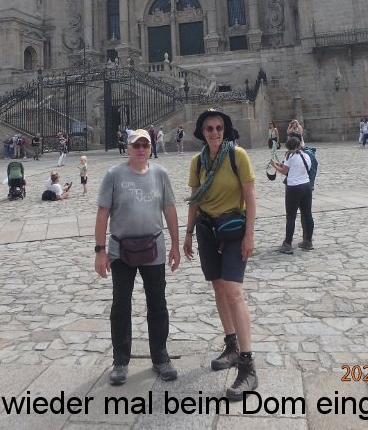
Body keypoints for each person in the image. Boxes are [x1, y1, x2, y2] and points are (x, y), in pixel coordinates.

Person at [95, 129, 180, 386]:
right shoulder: (113, 175)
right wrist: (100, 251)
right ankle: (120, 361)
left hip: (153, 247)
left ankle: (160, 357)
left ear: (150, 147)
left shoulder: (160, 174)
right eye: (136, 145)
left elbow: (169, 209)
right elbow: (102, 213)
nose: (141, 149)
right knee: (121, 304)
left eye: (145, 145)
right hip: (121, 249)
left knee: (158, 303)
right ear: (129, 147)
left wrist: (175, 245)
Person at [183, 109, 258, 401]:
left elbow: (250, 197)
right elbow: (194, 199)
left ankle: (248, 365)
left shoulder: (238, 156)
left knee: (234, 292)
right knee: (218, 288)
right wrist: (188, 233)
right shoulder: (197, 161)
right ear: (202, 133)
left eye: (218, 127)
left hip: (233, 229)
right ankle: (231, 345)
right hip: (206, 229)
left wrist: (250, 235)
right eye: (209, 128)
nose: (214, 132)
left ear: (225, 130)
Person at [269, 134, 314, 253]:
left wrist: (274, 166)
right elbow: (297, 168)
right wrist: (279, 164)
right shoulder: (306, 155)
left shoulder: (290, 156)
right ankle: (308, 241)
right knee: (307, 214)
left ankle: (287, 243)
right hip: (306, 186)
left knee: (291, 216)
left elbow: (285, 171)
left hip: (294, 187)